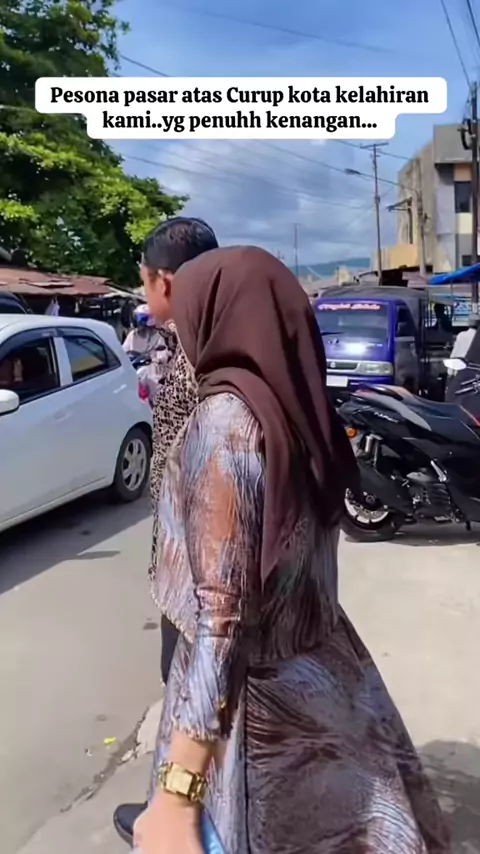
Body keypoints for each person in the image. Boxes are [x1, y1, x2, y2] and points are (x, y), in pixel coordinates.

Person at [133, 246, 449, 854]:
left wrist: (177, 794)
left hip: (253, 718)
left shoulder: (225, 424)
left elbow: (220, 619)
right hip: (325, 686)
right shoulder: (299, 411)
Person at [113, 216, 217, 846]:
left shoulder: (190, 359)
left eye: (145, 279)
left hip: (198, 562)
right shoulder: (225, 343)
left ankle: (181, 815)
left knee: (189, 688)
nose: (143, 289)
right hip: (202, 554)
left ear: (166, 281)